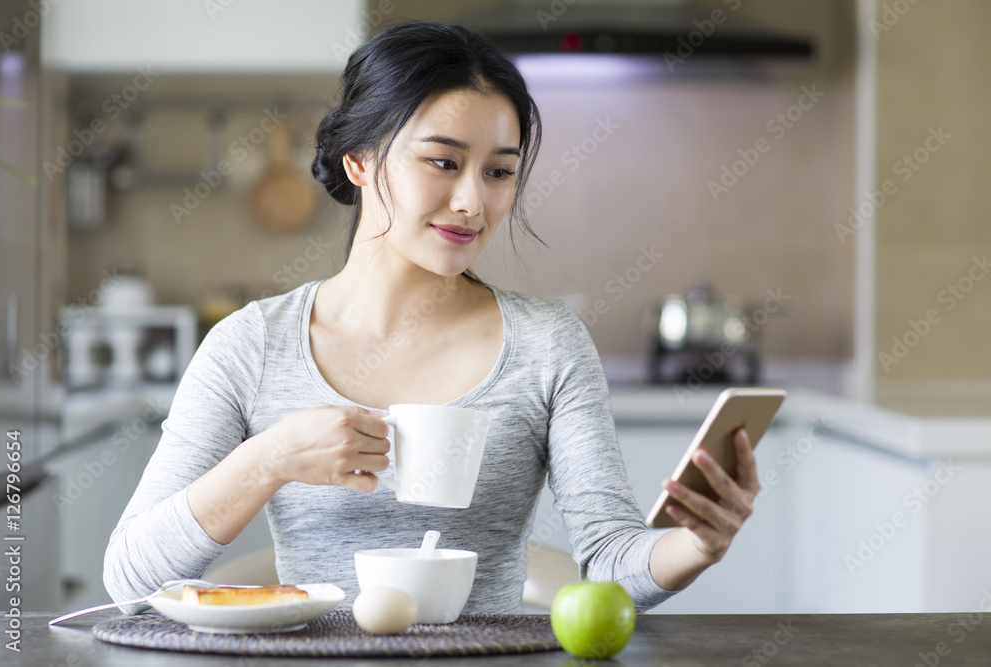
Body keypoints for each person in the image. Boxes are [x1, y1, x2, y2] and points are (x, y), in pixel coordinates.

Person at [103, 19, 760, 615]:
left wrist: (692, 545)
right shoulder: (251, 345)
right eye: (443, 162)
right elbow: (128, 577)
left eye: (499, 172)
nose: (473, 201)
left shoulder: (547, 344)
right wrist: (269, 457)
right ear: (359, 161)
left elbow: (612, 565)